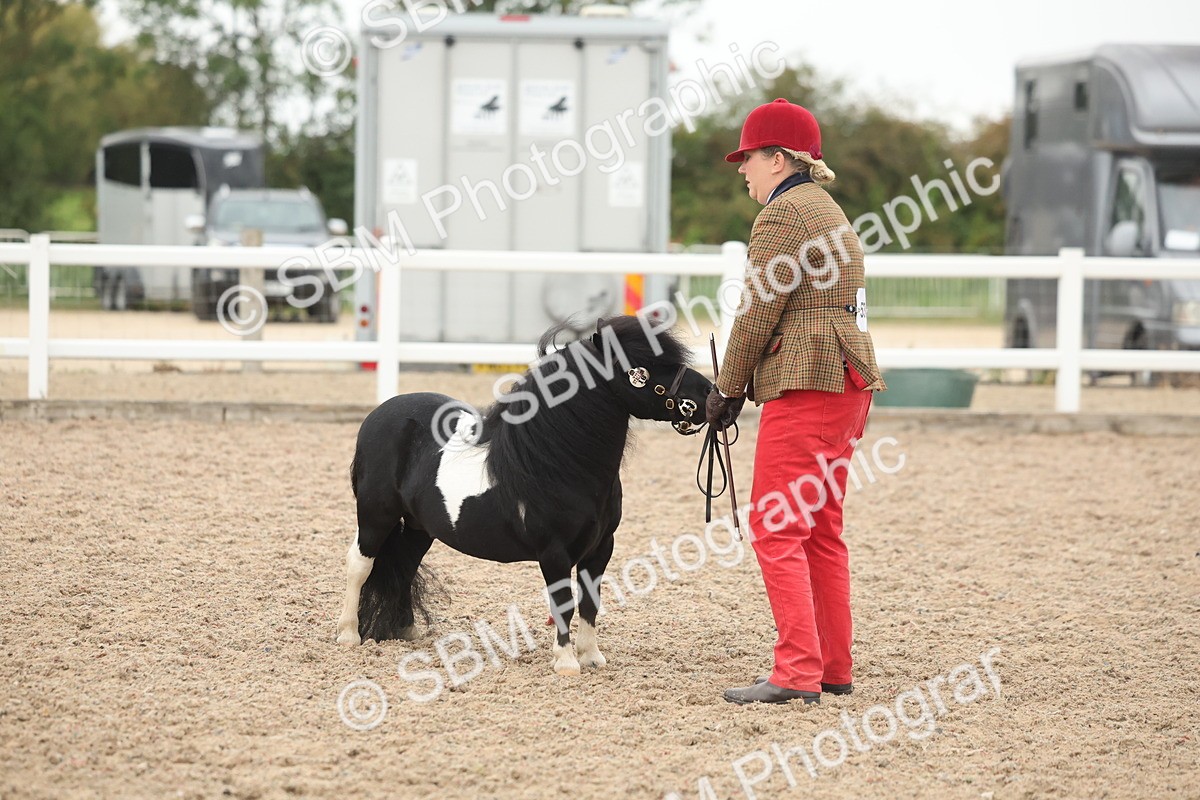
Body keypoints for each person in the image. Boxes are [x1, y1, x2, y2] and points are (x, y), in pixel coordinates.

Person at [706, 98, 885, 705]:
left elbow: (758, 310)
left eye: (750, 157)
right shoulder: (827, 208)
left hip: (807, 383)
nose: (743, 169)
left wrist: (728, 388)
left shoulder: (782, 216)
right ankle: (832, 665)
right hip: (846, 384)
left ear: (779, 159)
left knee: (775, 527)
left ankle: (796, 672)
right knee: (819, 530)